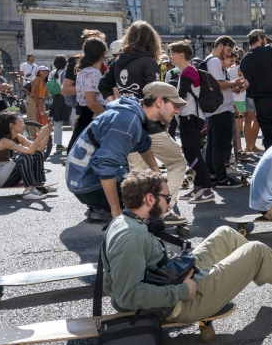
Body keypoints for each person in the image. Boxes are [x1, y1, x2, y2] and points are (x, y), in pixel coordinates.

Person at [102, 170, 272, 320]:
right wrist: (181, 290)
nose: (170, 204)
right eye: (167, 198)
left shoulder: (129, 221)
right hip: (175, 306)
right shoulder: (131, 237)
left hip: (167, 282)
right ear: (150, 199)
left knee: (225, 234)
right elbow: (126, 297)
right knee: (256, 250)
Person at [98, 21, 187, 223]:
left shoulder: (118, 61)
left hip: (128, 125)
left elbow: (103, 86)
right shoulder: (148, 62)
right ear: (152, 40)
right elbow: (153, 92)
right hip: (149, 125)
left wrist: (117, 103)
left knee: (139, 176)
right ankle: (164, 209)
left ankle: (140, 215)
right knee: (177, 163)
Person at [66, 82, 182, 221]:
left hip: (82, 176)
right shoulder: (127, 121)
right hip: (86, 183)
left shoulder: (133, 113)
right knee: (149, 202)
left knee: (145, 187)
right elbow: (107, 166)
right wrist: (117, 212)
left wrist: (156, 171)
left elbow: (143, 144)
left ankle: (102, 208)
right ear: (159, 101)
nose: (177, 111)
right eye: (175, 105)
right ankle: (109, 210)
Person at [169, 41, 215, 204]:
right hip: (190, 117)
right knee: (190, 153)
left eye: (172, 53)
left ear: (182, 55)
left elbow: (180, 97)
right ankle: (198, 187)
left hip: (190, 117)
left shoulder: (188, 72)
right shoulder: (187, 71)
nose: (170, 57)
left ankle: (207, 189)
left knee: (193, 153)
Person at [205, 35, 246, 188]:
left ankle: (212, 173)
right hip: (221, 110)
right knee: (220, 145)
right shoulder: (215, 61)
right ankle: (222, 178)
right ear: (221, 46)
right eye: (228, 50)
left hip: (217, 109)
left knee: (213, 144)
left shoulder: (210, 60)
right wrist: (233, 83)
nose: (229, 54)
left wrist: (231, 87)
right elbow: (218, 83)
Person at [0, 112, 53, 200]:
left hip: (6, 172)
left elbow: (39, 149)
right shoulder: (3, 140)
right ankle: (28, 191)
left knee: (37, 154)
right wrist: (41, 133)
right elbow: (29, 151)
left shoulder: (17, 137)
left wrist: (46, 134)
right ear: (12, 125)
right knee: (24, 157)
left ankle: (38, 186)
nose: (24, 124)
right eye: (21, 122)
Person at [66, 37, 108, 153]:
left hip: (86, 116)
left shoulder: (83, 71)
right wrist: (108, 116)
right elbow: (91, 102)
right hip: (93, 116)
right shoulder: (93, 73)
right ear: (103, 53)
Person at [48, 55, 72, 151]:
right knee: (73, 122)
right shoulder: (67, 73)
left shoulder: (51, 73)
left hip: (57, 99)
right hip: (68, 98)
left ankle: (58, 145)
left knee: (57, 123)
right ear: (65, 63)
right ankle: (74, 143)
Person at [29, 65, 51, 134]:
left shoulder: (47, 80)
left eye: (46, 71)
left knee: (42, 120)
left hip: (41, 101)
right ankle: (34, 137)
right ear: (38, 72)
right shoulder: (37, 79)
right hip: (33, 100)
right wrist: (38, 103)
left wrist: (43, 103)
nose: (45, 72)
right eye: (42, 71)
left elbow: (47, 93)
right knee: (33, 120)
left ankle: (41, 136)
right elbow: (35, 92)